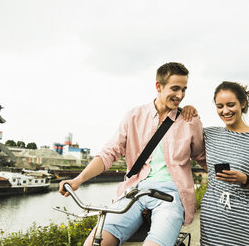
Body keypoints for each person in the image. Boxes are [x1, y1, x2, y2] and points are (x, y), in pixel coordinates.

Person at [59, 62, 206, 246]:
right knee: (94, 243)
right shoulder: (134, 116)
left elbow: (204, 158)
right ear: (158, 87)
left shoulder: (189, 121)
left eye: (184, 89)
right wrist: (78, 180)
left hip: (170, 196)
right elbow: (109, 152)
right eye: (175, 88)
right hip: (134, 191)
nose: (180, 95)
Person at [200, 81, 249, 246]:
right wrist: (188, 109)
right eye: (220, 106)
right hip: (213, 223)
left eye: (230, 105)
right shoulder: (208, 134)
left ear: (243, 103)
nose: (225, 111)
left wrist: (245, 180)